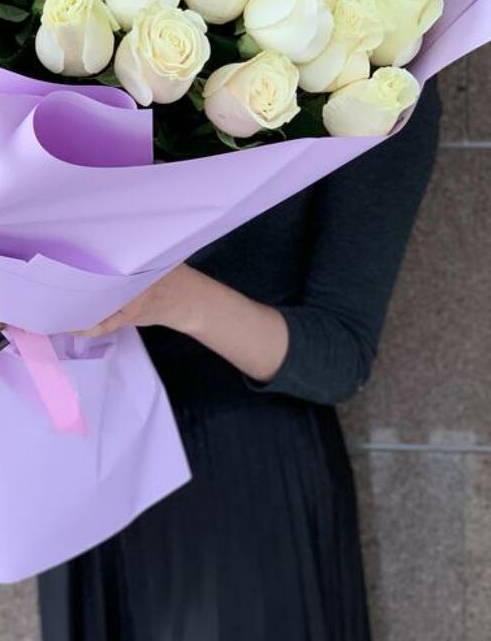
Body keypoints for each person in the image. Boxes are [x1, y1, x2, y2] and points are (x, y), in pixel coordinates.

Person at [38, 77, 442, 641]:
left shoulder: (382, 79)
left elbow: (340, 355)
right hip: (88, 453)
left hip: (239, 468)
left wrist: (174, 298)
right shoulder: (47, 47)